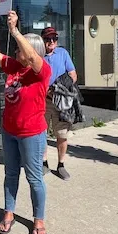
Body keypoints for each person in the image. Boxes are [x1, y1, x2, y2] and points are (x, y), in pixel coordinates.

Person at [0, 11, 51, 234]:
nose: (15, 51)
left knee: (34, 178)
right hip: (10, 132)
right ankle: (8, 212)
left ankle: (38, 219)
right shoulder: (14, 67)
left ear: (30, 51)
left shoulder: (41, 72)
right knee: (10, 174)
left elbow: (32, 57)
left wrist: (15, 31)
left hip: (31, 133)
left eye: (19, 48)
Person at [40, 26, 77, 180]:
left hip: (61, 101)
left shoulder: (63, 53)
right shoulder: (37, 55)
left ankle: (61, 165)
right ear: (42, 41)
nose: (51, 41)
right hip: (42, 100)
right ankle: (43, 163)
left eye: (54, 38)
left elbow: (73, 75)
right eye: (48, 39)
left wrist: (60, 87)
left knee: (62, 135)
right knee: (41, 134)